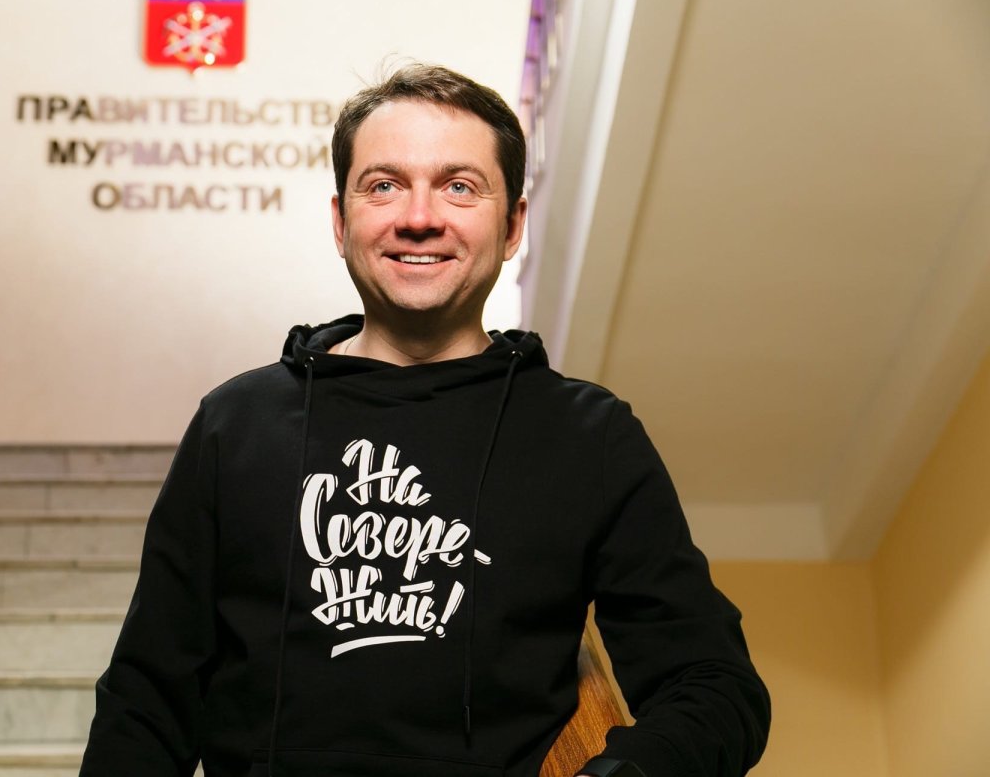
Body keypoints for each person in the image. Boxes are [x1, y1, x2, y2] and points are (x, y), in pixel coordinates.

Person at [79, 64, 770, 777]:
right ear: (341, 222)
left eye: (459, 186)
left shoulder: (589, 436)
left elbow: (716, 687)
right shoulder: (236, 424)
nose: (418, 216)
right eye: (384, 185)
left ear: (513, 226)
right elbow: (145, 703)